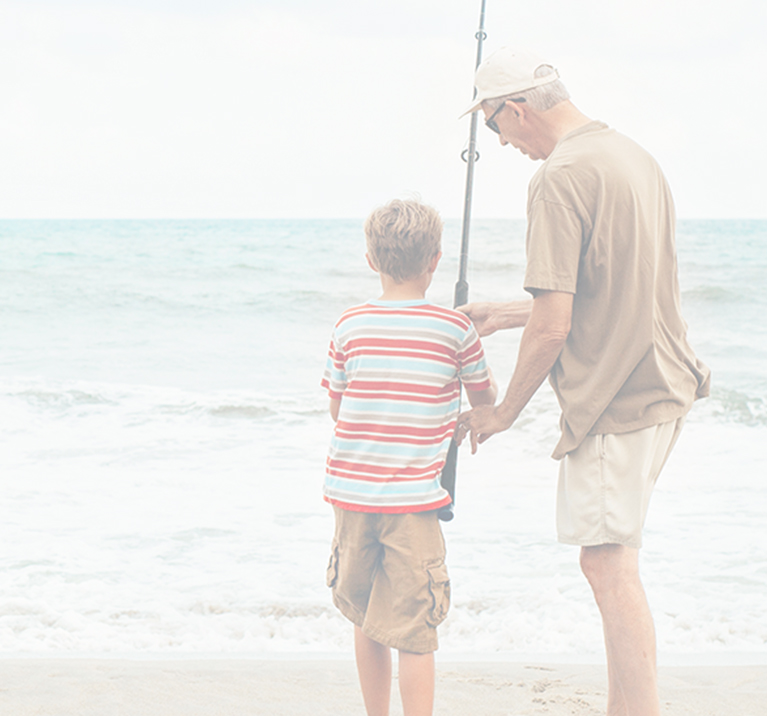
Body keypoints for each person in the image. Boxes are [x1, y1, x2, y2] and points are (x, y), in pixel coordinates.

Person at [453, 48, 710, 716]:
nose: (502, 145)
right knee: (613, 560)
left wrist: (500, 412)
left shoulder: (558, 177)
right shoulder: (632, 157)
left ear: (512, 109)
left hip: (616, 400)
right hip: (665, 387)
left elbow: (555, 326)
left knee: (606, 566)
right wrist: (506, 314)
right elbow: (611, 285)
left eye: (494, 128)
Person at [321, 199, 497, 716]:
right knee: (416, 629)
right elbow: (485, 403)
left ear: (371, 261)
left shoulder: (348, 325)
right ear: (436, 260)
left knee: (366, 615)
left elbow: (337, 407)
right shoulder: (455, 330)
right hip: (413, 505)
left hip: (350, 496)